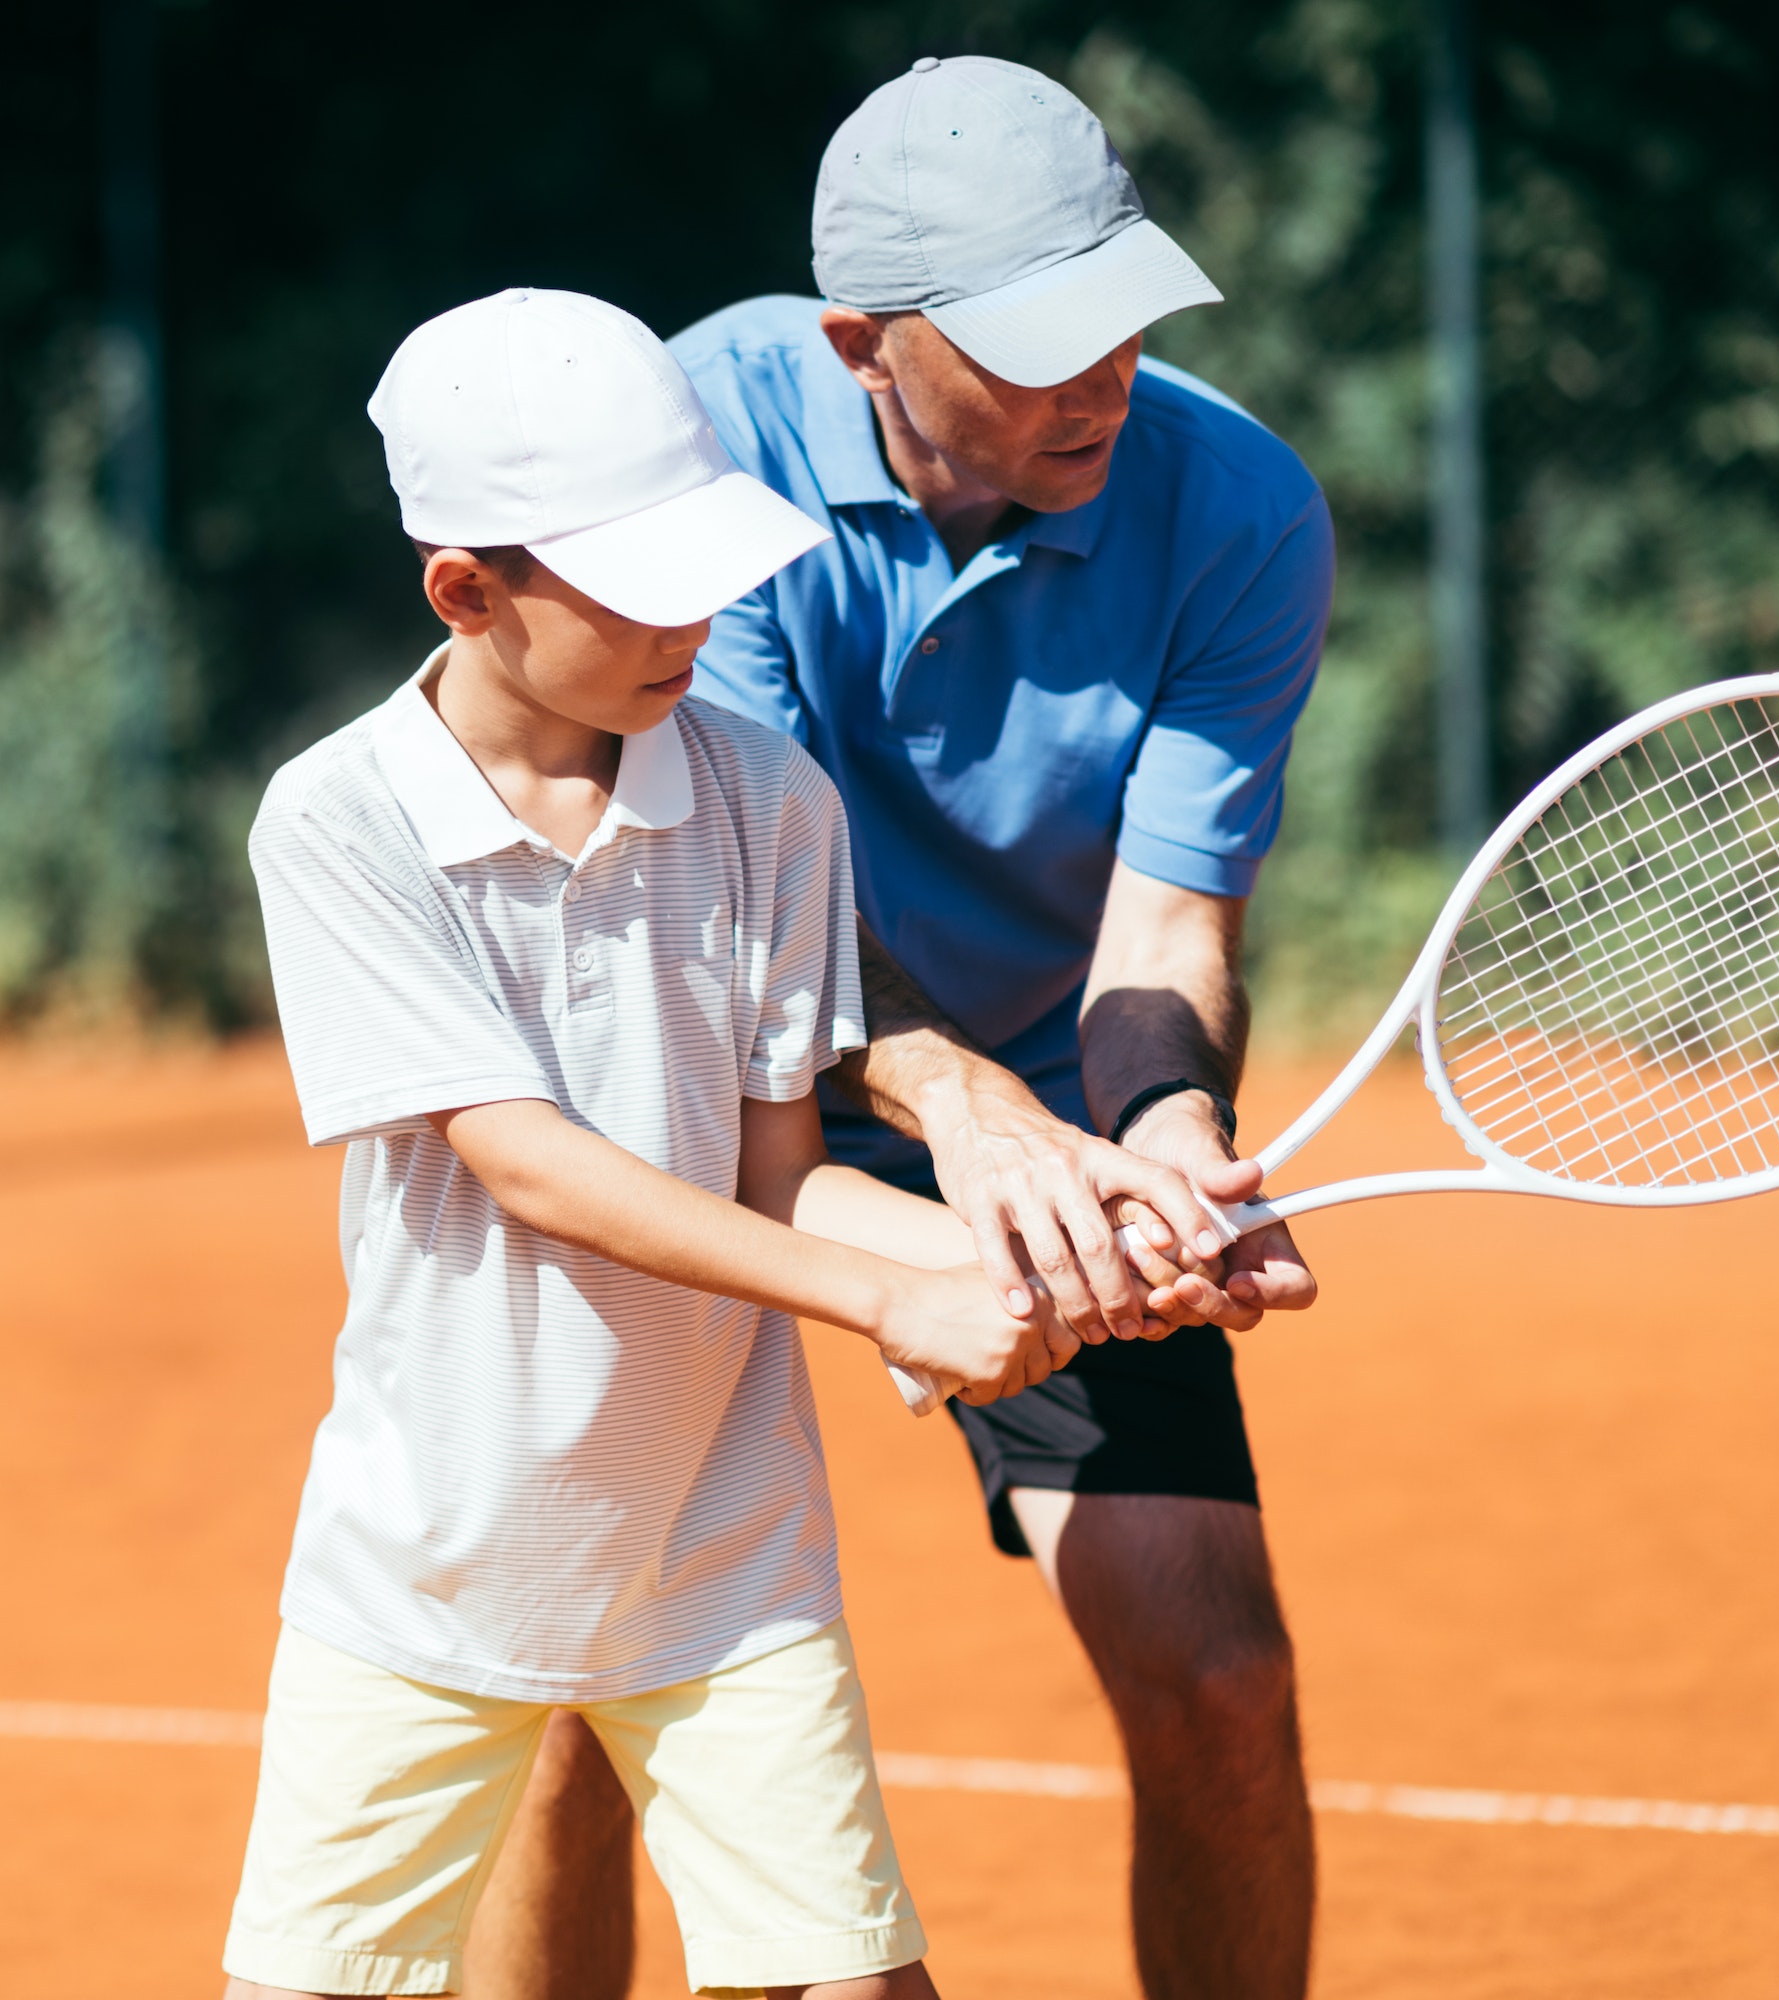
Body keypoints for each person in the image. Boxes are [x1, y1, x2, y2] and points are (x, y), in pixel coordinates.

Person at [471, 57, 1336, 2000]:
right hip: (685, 1089)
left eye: (1116, 313)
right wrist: (957, 1110)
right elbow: (751, 895)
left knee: (1221, 1676)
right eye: (1032, 346)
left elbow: (1167, 918)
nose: (1098, 375)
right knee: (578, 1696)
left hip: (1033, 1093)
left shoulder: (1237, 508)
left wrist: (1166, 1129)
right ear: (863, 344)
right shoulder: (684, 453)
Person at [220, 285, 1081, 2000]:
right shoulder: (336, 819)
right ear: (467, 593)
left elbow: (780, 1174)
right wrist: (877, 1301)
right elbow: (527, 1161)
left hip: (722, 1550)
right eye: (640, 582)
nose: (702, 612)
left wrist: (1031, 1241)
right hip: (430, 1563)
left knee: (859, 1982)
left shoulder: (774, 800)